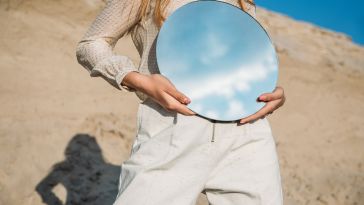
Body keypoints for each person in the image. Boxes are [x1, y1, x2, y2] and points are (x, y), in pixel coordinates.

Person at [76, 0, 286, 204]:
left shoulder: (243, 2)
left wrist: (273, 94)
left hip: (247, 135)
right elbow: (91, 44)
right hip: (174, 128)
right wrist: (138, 79)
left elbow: (244, 63)